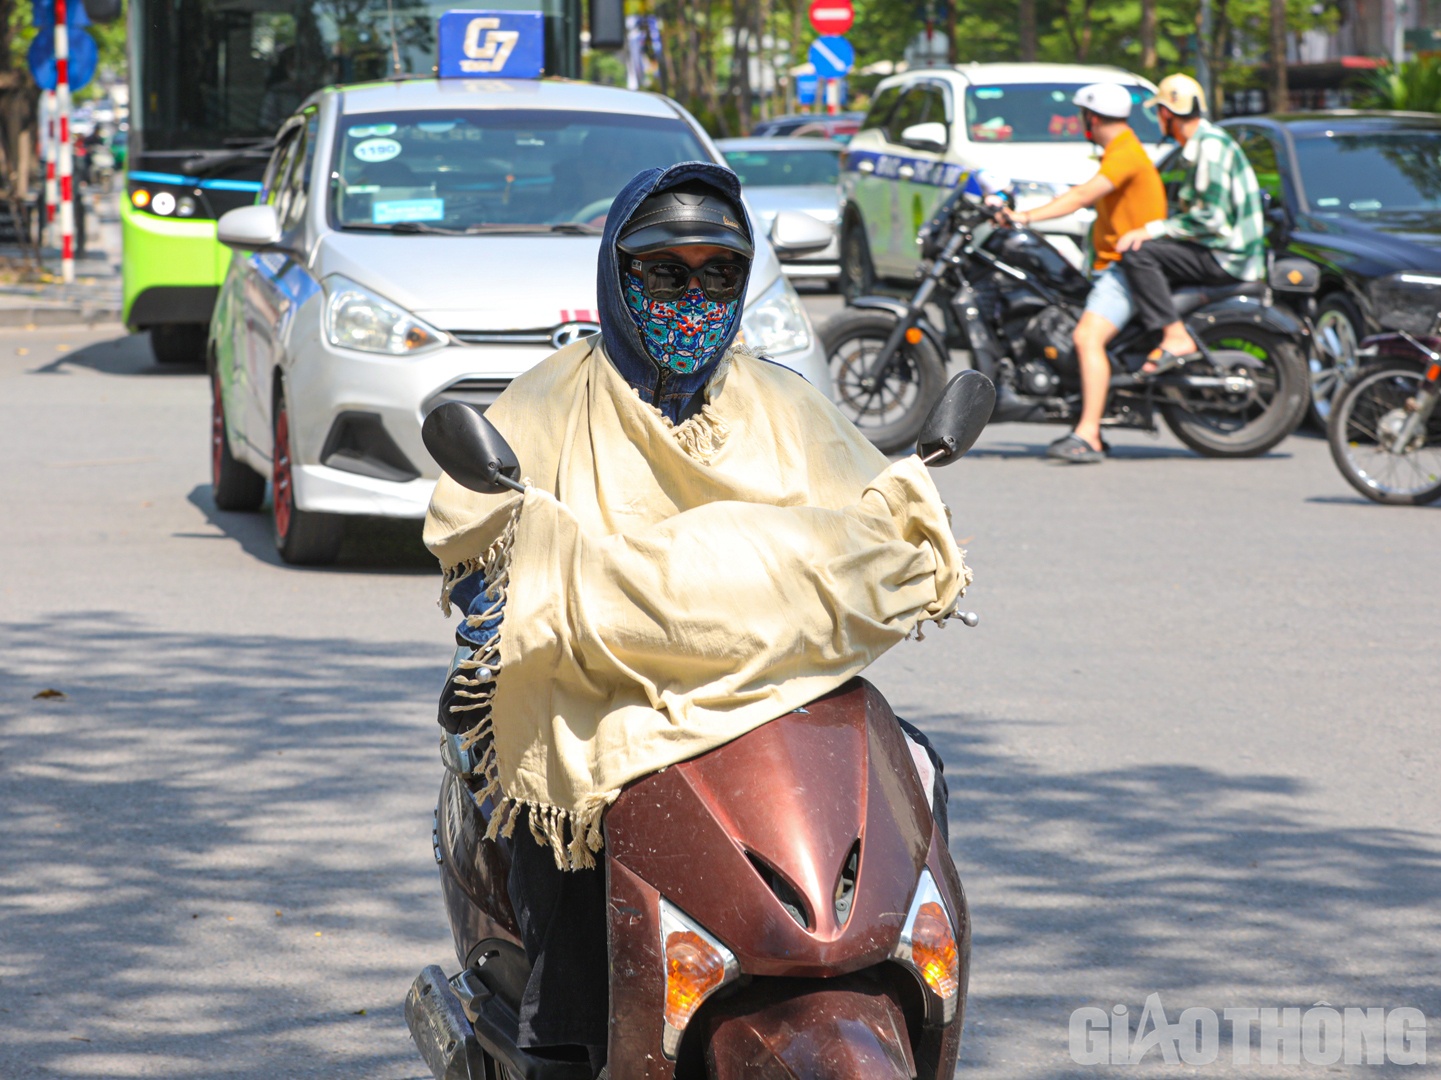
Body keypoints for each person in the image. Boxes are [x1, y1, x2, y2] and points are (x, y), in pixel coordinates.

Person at [425, 162, 967, 1077]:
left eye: (717, 274)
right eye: (663, 273)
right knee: (559, 806)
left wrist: (640, 583)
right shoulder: (547, 402)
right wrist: (518, 607)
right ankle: (563, 1042)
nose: (692, 297)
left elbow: (877, 532)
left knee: (915, 768)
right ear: (617, 275)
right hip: (613, 697)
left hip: (783, 698)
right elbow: (484, 552)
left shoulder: (786, 405)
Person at [1001, 83, 1168, 463]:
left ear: (1091, 118)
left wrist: (1024, 217)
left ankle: (1089, 434)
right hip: (1116, 265)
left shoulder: (1125, 154)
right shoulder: (1122, 151)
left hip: (1126, 268)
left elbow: (1081, 196)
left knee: (1086, 337)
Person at [1114, 73, 1266, 377]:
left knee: (1139, 253)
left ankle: (1174, 334)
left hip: (1228, 258)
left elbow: (1211, 218)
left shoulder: (1209, 149)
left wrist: (1151, 230)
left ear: (1167, 113)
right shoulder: (1204, 145)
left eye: (1159, 112)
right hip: (1225, 251)